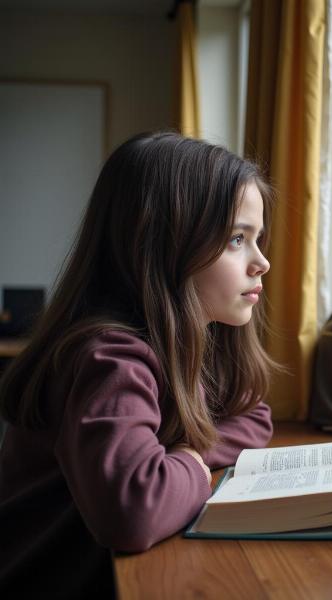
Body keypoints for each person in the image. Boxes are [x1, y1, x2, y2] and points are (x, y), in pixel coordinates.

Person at [0, 131, 278, 598]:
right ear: (163, 244)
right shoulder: (108, 357)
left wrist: (180, 456)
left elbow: (254, 415)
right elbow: (134, 509)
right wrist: (189, 456)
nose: (262, 262)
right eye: (237, 239)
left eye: (257, 239)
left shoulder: (189, 340)